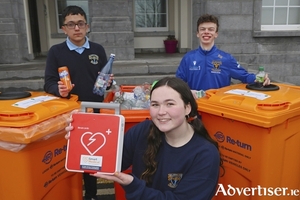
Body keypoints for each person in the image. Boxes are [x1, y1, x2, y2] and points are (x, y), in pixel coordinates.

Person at [66, 77, 222, 200]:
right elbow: (105, 163)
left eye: (170, 104)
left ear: (187, 108)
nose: (161, 112)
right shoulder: (143, 131)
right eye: (155, 104)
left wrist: (133, 186)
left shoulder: (205, 154)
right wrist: (77, 140)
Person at [44, 5, 114, 200]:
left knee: (92, 156)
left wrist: (108, 83)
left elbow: (103, 80)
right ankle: (69, 194)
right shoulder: (56, 52)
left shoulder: (97, 49)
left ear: (87, 26)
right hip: (70, 113)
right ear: (63, 28)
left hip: (95, 111)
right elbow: (48, 82)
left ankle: (91, 195)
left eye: (80, 24)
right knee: (70, 157)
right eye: (71, 24)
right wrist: (58, 89)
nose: (77, 28)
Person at [176, 14, 271, 97]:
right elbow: (178, 84)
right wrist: (188, 93)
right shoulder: (188, 58)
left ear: (216, 34)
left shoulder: (226, 59)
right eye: (202, 29)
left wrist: (261, 78)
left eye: (211, 29)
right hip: (195, 108)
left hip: (217, 109)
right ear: (197, 33)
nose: (206, 32)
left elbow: (245, 76)